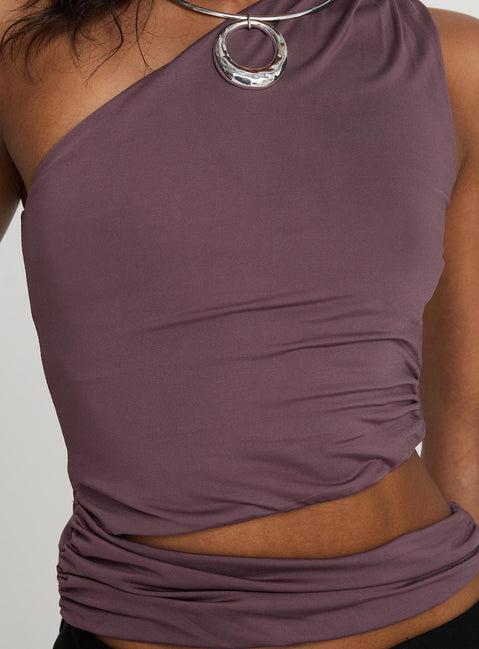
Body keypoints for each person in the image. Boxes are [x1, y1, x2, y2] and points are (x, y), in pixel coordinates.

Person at [0, 1, 478, 648]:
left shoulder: (453, 59)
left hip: (430, 616)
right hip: (140, 620)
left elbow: (467, 423)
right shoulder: (20, 38)